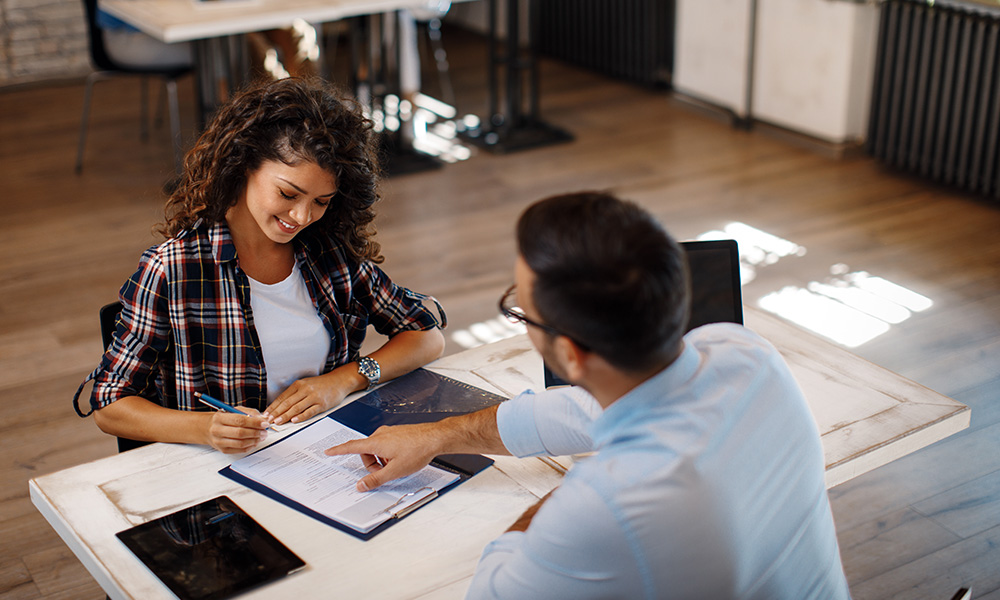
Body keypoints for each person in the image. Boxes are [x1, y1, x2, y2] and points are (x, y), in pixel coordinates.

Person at [326, 192, 851, 599]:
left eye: (522, 311)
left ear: (572, 355)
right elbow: (574, 412)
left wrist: (567, 503)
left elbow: (493, 588)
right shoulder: (743, 351)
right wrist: (439, 435)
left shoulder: (608, 505)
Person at [74, 78, 446, 454]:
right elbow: (109, 404)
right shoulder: (172, 272)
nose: (302, 216)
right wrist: (205, 428)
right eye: (288, 193)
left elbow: (426, 337)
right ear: (244, 165)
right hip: (219, 478)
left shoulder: (329, 255)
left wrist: (344, 380)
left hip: (327, 459)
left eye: (322, 201)